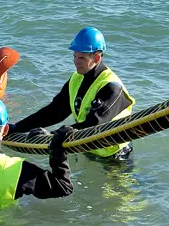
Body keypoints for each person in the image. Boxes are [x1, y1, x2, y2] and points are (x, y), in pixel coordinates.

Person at [9, 27, 136, 160]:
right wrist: (18, 127)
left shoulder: (111, 87)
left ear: (97, 57)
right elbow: (55, 111)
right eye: (74, 56)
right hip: (87, 150)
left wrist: (51, 136)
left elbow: (94, 124)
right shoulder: (77, 78)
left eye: (81, 58)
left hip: (115, 157)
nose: (76, 62)